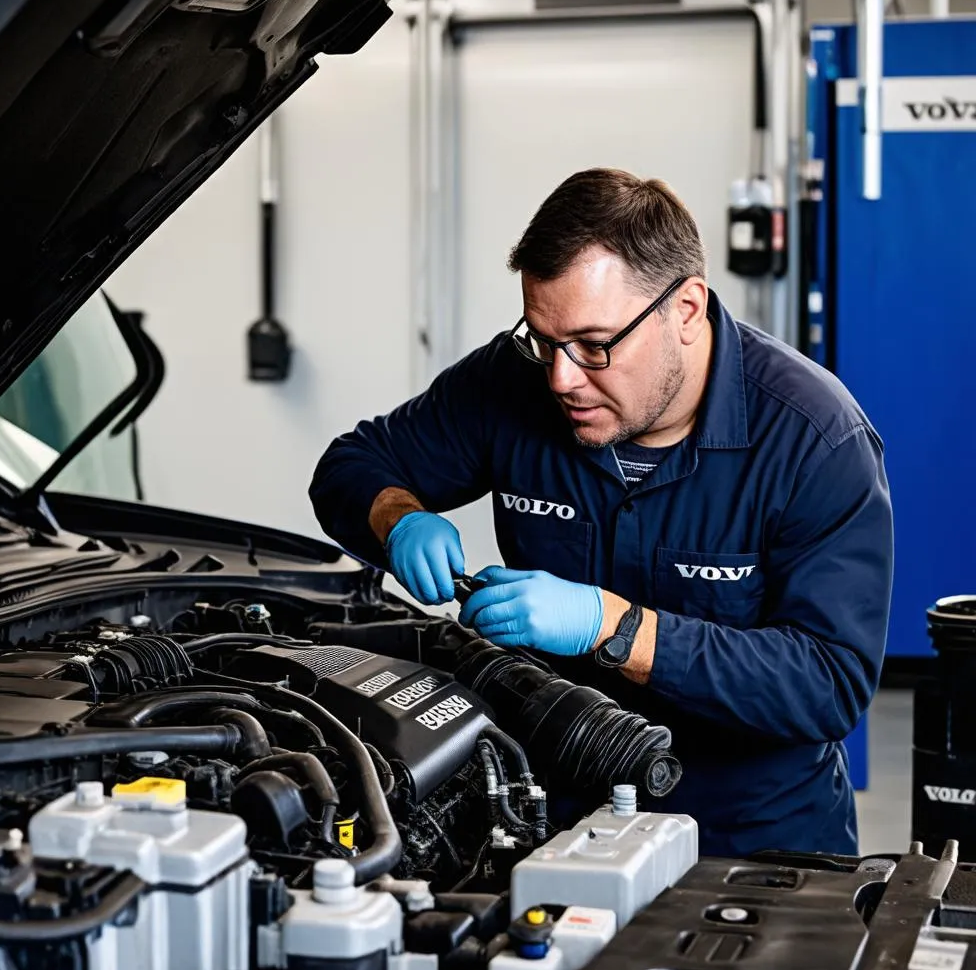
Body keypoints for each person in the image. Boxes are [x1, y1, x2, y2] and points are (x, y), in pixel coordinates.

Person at [309, 168, 892, 857]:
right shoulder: (511, 385)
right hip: (547, 813)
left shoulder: (814, 439)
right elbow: (352, 466)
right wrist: (398, 518)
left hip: (749, 836)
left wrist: (610, 627)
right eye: (543, 340)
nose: (562, 378)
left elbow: (826, 684)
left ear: (686, 309)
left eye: (594, 345)